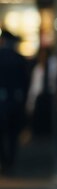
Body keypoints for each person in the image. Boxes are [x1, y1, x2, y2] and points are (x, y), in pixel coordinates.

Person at [0, 29, 29, 174]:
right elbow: (26, 82)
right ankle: (9, 160)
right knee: (12, 134)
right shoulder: (19, 58)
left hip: (3, 101)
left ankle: (4, 160)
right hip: (16, 101)